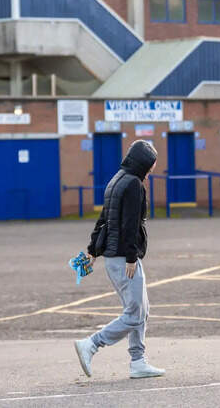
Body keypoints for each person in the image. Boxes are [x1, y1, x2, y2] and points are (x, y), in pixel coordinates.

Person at [74, 140, 165, 379]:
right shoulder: (134, 184)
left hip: (115, 257)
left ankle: (138, 361)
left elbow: (103, 219)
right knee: (135, 313)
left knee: (141, 310)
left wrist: (92, 251)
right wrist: (132, 257)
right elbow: (130, 225)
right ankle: (91, 344)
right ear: (143, 162)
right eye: (152, 163)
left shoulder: (116, 180)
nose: (153, 168)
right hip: (125, 259)